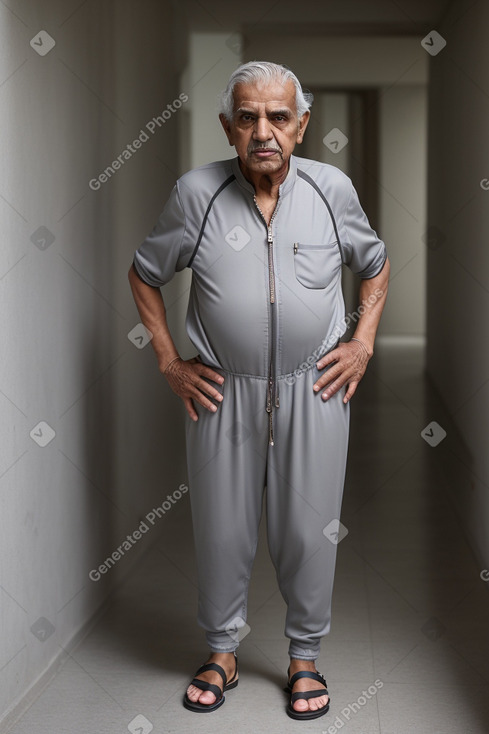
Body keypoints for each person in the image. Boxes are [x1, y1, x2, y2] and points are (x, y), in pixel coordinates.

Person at [128, 60, 389, 721]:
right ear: (227, 127)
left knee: (308, 532)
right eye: (247, 117)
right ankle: (221, 652)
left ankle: (303, 659)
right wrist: (167, 359)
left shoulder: (332, 189)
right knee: (222, 531)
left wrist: (360, 344)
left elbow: (376, 264)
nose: (262, 131)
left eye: (278, 117)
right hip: (225, 393)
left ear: (301, 126)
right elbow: (143, 271)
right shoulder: (198, 193)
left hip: (314, 391)